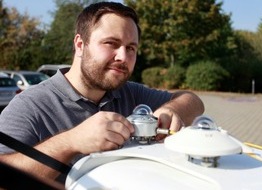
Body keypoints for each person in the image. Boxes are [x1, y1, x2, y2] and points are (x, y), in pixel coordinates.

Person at [0, 1, 204, 183]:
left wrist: (171, 110)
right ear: (80, 45)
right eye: (111, 44)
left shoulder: (130, 93)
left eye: (131, 48)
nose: (123, 57)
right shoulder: (29, 106)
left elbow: (193, 101)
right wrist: (71, 141)